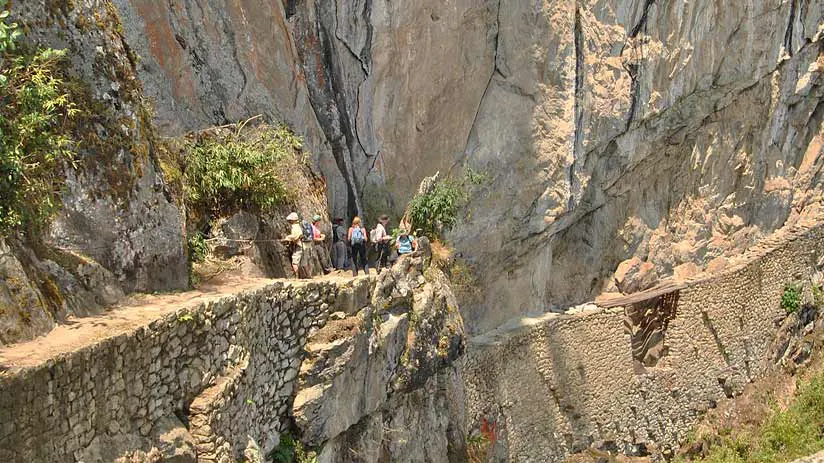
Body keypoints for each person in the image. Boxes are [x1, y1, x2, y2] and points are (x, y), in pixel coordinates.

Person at [284, 212, 310, 277]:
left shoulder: (294, 226)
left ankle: (297, 276)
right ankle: (308, 276)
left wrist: (287, 238)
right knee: (304, 263)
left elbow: (295, 236)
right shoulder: (300, 225)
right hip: (305, 245)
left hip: (299, 246)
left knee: (295, 263)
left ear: (292, 220)